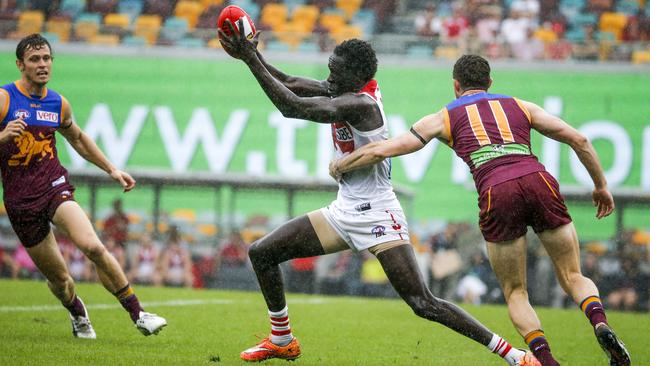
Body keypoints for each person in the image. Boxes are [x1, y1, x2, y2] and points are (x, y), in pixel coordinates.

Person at [219, 22, 539, 366]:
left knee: (423, 303)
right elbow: (295, 84)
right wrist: (250, 56)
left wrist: (252, 59)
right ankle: (282, 339)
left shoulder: (361, 104)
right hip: (345, 211)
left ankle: (513, 355)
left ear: (355, 76)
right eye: (328, 70)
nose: (328, 79)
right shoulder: (347, 87)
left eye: (334, 72)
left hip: (378, 215)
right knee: (262, 252)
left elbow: (292, 106)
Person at [329, 54, 631, 366]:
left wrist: (342, 163)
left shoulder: (443, 117)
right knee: (572, 274)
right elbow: (578, 139)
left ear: (456, 86)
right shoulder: (520, 105)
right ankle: (599, 322)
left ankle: (546, 360)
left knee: (516, 292)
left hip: (496, 190)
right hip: (538, 180)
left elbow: (382, 148)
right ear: (489, 83)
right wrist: (600, 186)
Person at [0, 34, 166, 338]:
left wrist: (112, 169)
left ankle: (139, 313)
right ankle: (77, 311)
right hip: (20, 201)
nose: (42, 64)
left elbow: (77, 138)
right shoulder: (4, 99)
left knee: (92, 245)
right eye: (35, 59)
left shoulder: (58, 103)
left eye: (47, 58)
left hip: (53, 187)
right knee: (61, 280)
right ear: (20, 64)